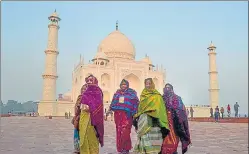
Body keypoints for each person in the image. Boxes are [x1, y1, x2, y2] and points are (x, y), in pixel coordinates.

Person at [133, 78, 170, 154]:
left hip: (154, 121)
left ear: (152, 84)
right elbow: (140, 108)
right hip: (144, 120)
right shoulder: (143, 95)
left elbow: (161, 109)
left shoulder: (157, 96)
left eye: (150, 83)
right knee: (143, 136)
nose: (148, 85)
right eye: (146, 84)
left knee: (154, 139)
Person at [110, 79, 139, 154]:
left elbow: (136, 103)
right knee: (119, 132)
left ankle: (126, 148)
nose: (123, 86)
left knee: (125, 132)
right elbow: (113, 103)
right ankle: (121, 148)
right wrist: (111, 108)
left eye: (125, 84)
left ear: (127, 85)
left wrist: (134, 112)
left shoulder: (132, 93)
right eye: (122, 84)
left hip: (127, 116)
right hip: (118, 116)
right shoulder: (117, 93)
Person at [161, 83, 191, 154]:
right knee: (165, 139)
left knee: (174, 139)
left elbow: (181, 110)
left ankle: (173, 151)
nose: (167, 89)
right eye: (166, 88)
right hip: (164, 122)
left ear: (172, 89)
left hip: (174, 122)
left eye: (169, 88)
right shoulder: (162, 98)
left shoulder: (177, 98)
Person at [79, 75, 104, 153]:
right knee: (84, 136)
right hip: (84, 118)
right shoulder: (86, 92)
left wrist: (89, 107)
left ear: (95, 81)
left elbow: (98, 106)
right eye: (88, 80)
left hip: (93, 119)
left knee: (92, 137)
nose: (89, 82)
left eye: (91, 80)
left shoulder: (98, 92)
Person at [72, 84, 87, 154]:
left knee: (83, 134)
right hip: (78, 118)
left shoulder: (89, 98)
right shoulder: (79, 97)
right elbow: (76, 108)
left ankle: (83, 149)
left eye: (85, 89)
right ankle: (77, 149)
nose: (84, 90)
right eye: (83, 89)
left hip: (85, 118)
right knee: (76, 134)